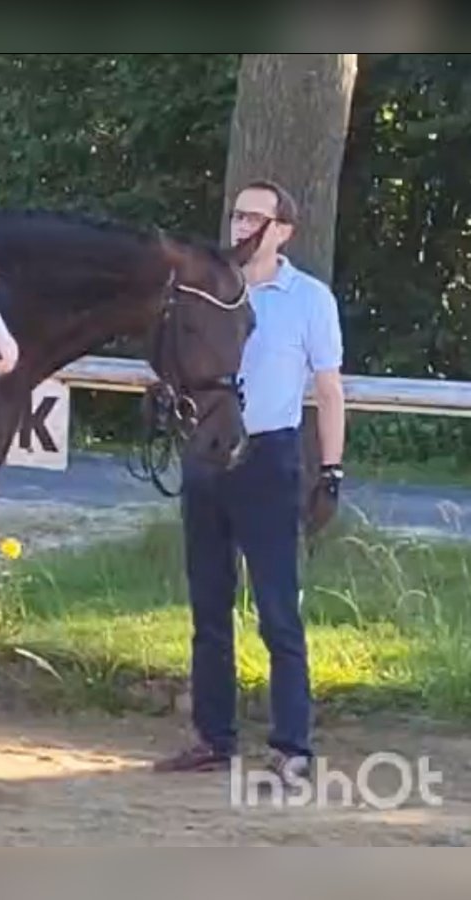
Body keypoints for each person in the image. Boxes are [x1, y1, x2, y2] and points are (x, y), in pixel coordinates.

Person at [153, 178, 346, 784]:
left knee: (277, 610)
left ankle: (292, 745)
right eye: (236, 216)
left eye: (254, 218)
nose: (241, 227)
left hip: (269, 458)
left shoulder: (310, 299)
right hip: (207, 453)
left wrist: (331, 471)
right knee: (208, 606)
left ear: (283, 230)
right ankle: (214, 737)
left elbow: (329, 388)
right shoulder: (206, 291)